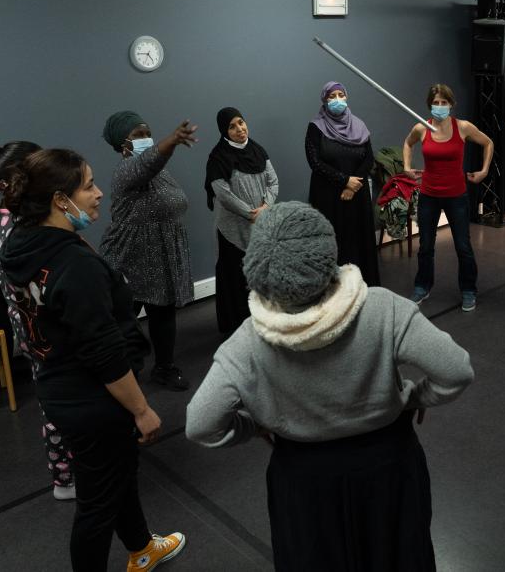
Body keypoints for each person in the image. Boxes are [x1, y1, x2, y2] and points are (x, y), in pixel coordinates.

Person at [186, 201, 473, 571]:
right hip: (387, 468)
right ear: (326, 250)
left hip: (304, 484)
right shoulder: (382, 308)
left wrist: (255, 424)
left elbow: (200, 423)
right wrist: (412, 398)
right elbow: (457, 370)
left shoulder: (249, 340)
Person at [0, 148, 185, 572]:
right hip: (94, 398)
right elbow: (102, 351)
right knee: (97, 505)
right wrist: (141, 409)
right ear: (60, 201)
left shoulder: (27, 244)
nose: (99, 193)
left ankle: (141, 547)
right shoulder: (72, 263)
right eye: (88, 186)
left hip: (61, 387)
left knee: (114, 478)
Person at [0, 140, 76, 501]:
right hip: (47, 330)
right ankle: (68, 476)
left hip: (29, 330)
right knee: (61, 402)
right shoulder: (24, 230)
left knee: (51, 400)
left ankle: (64, 474)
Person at [99, 110, 198, 391]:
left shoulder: (160, 172)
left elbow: (155, 167)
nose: (145, 139)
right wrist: (172, 141)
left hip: (160, 252)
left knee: (163, 314)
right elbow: (149, 163)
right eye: (138, 135)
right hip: (129, 256)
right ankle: (121, 377)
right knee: (123, 321)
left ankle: (164, 368)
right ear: (122, 144)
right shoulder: (127, 170)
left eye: (147, 133)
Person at [403, 83, 494, 312]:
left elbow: (488, 143)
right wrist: (406, 166)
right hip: (429, 196)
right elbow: (407, 143)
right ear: (429, 104)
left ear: (451, 104)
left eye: (444, 102)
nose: (440, 106)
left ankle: (468, 290)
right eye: (436, 102)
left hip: (456, 196)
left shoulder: (462, 127)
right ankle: (423, 286)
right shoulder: (421, 128)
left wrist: (484, 170)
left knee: (463, 246)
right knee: (425, 246)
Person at [205, 106, 279, 336]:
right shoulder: (218, 157)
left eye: (241, 122)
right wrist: (250, 213)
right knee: (236, 278)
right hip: (233, 229)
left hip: (261, 223)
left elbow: (273, 181)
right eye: (232, 126)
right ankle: (239, 327)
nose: (239, 129)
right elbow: (222, 193)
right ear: (224, 131)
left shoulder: (257, 150)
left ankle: (265, 321)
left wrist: (266, 207)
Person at [305, 82, 381, 286]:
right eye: (332, 96)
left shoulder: (359, 125)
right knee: (334, 242)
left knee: (358, 240)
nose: (337, 99)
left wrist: (352, 185)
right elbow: (314, 162)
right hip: (328, 197)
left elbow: (368, 159)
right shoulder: (315, 127)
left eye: (341, 95)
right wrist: (344, 181)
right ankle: (334, 291)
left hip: (357, 194)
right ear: (324, 100)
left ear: (346, 97)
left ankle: (361, 285)